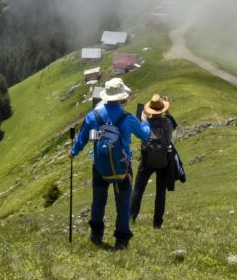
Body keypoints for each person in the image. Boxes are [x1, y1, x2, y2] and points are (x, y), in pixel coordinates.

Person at [69, 77, 150, 250]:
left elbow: (83, 138)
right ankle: (121, 240)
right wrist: (145, 122)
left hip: (99, 166)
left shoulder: (93, 116)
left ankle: (96, 235)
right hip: (122, 167)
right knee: (123, 203)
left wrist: (73, 152)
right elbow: (145, 136)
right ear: (121, 97)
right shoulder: (128, 118)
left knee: (98, 200)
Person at [130, 94, 179, 230]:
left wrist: (142, 119)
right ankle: (157, 223)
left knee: (138, 189)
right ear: (162, 109)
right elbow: (174, 126)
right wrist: (168, 112)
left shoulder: (146, 123)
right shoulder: (167, 123)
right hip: (164, 161)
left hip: (146, 161)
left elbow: (140, 133)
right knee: (160, 192)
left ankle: (131, 218)